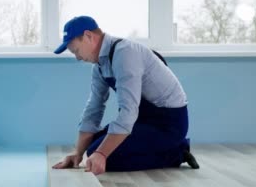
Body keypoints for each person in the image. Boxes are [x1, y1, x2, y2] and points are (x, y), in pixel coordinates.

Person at [52, 16, 199, 175]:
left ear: (88, 36)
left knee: (105, 156)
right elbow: (93, 109)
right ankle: (168, 147)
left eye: (76, 51)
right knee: (92, 145)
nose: (77, 58)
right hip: (142, 120)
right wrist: (78, 154)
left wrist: (101, 154)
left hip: (168, 124)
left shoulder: (125, 53)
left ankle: (176, 153)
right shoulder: (99, 67)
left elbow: (128, 111)